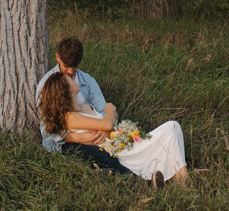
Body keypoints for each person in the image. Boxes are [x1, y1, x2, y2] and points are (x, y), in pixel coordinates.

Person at [38, 71, 189, 185]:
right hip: (115, 151)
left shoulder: (85, 106)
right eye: (70, 79)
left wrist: (110, 118)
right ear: (66, 89)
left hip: (120, 142)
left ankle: (180, 176)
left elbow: (110, 122)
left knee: (171, 129)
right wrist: (110, 109)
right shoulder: (69, 117)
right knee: (171, 127)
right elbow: (108, 122)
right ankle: (184, 181)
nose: (74, 77)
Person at [35, 38, 132, 175]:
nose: (69, 71)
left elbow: (105, 112)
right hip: (66, 143)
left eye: (74, 68)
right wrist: (72, 137)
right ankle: (130, 176)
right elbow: (48, 130)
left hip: (98, 134)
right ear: (57, 57)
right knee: (95, 154)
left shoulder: (88, 82)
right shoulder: (48, 85)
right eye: (66, 67)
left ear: (79, 63)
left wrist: (104, 130)